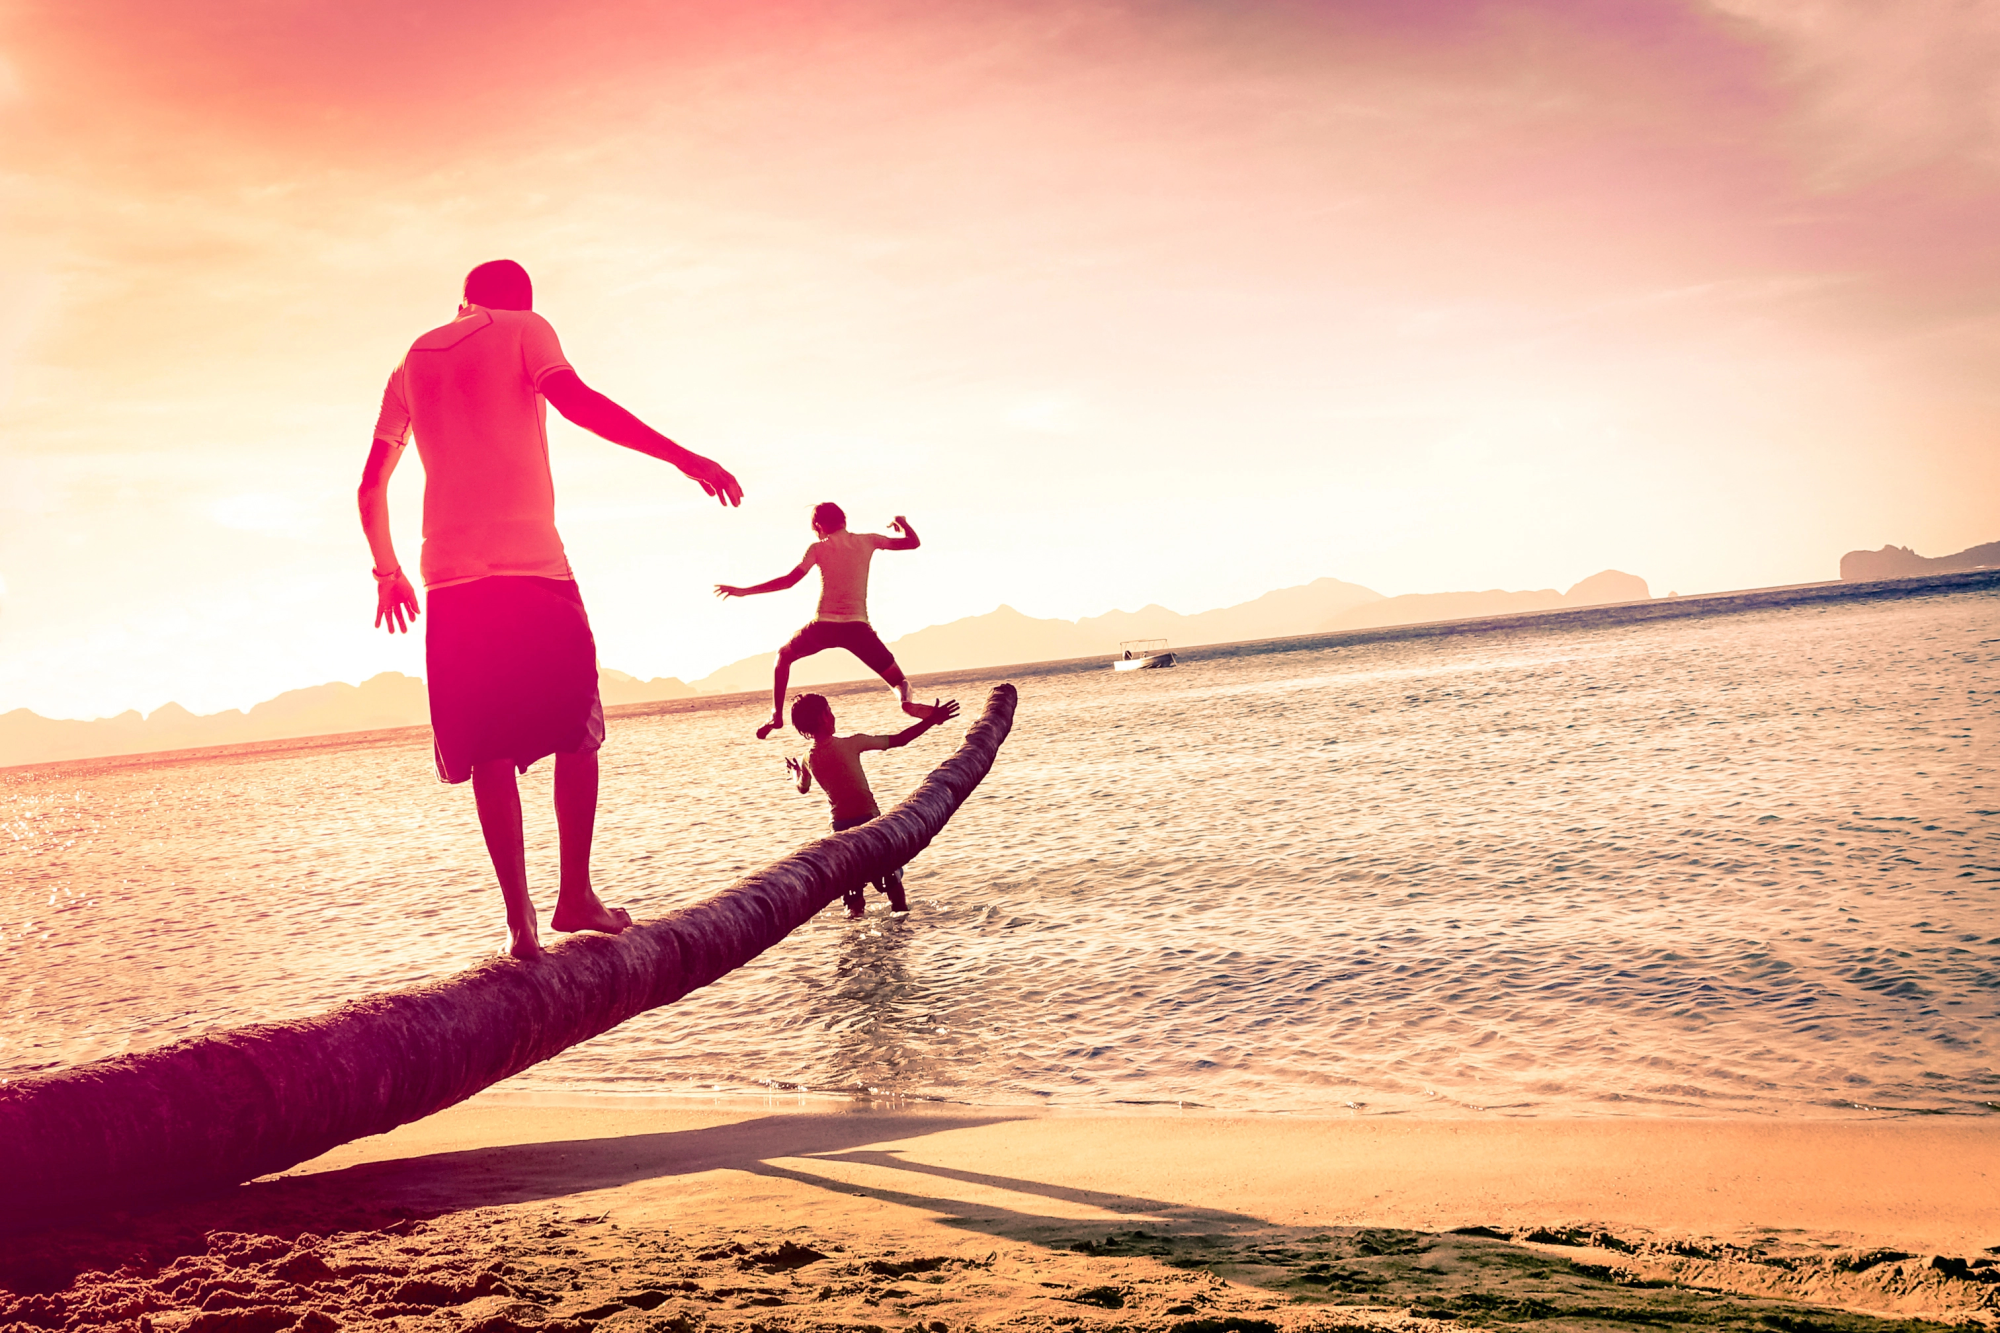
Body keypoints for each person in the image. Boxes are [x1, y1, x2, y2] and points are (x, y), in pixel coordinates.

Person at [358, 258, 742, 960]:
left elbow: (371, 485)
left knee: (488, 748)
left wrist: (388, 572)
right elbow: (578, 402)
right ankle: (576, 894)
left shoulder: (410, 363)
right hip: (533, 568)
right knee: (577, 728)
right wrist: (685, 458)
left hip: (448, 580)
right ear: (519, 301)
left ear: (463, 301)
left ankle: (520, 921)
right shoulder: (525, 328)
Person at [714, 502, 934, 739]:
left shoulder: (818, 549)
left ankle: (776, 714)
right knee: (899, 682)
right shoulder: (869, 541)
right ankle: (905, 703)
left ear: (819, 526)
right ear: (844, 520)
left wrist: (744, 591)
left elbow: (789, 581)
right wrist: (902, 522)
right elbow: (913, 542)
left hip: (824, 626)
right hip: (858, 629)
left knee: (783, 657)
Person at [783, 691, 960, 918]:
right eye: (829, 711)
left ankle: (855, 930)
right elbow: (900, 739)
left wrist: (795, 773)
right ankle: (902, 930)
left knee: (853, 899)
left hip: (841, 830)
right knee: (894, 890)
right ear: (821, 718)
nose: (833, 716)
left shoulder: (808, 758)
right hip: (870, 824)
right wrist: (931, 720)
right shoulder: (853, 743)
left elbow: (803, 787)